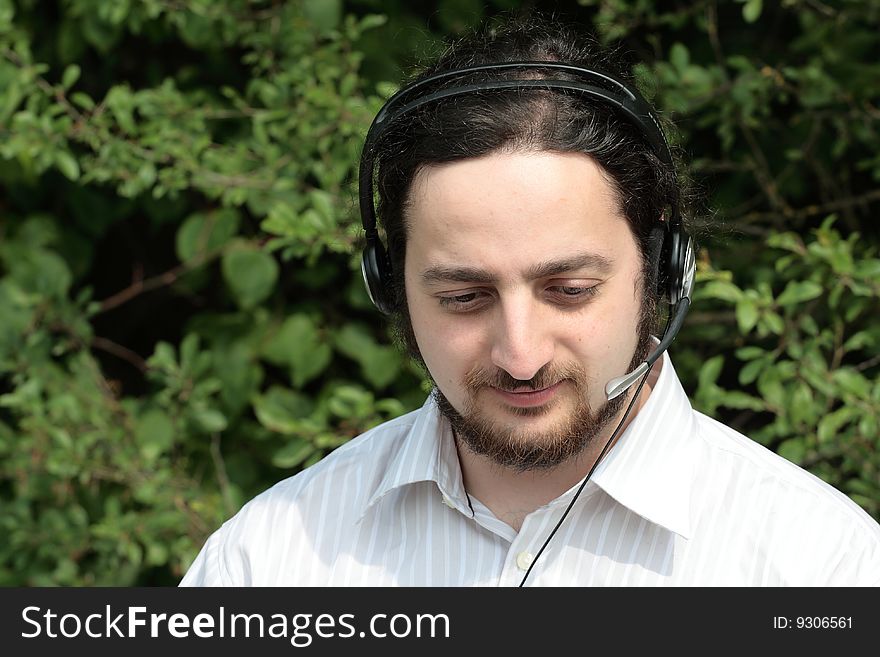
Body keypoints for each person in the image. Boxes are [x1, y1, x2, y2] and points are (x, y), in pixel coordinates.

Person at [181, 15, 880, 586]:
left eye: (569, 290)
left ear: (663, 268)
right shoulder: (263, 564)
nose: (521, 355)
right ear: (388, 288)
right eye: (463, 296)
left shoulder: (823, 567)